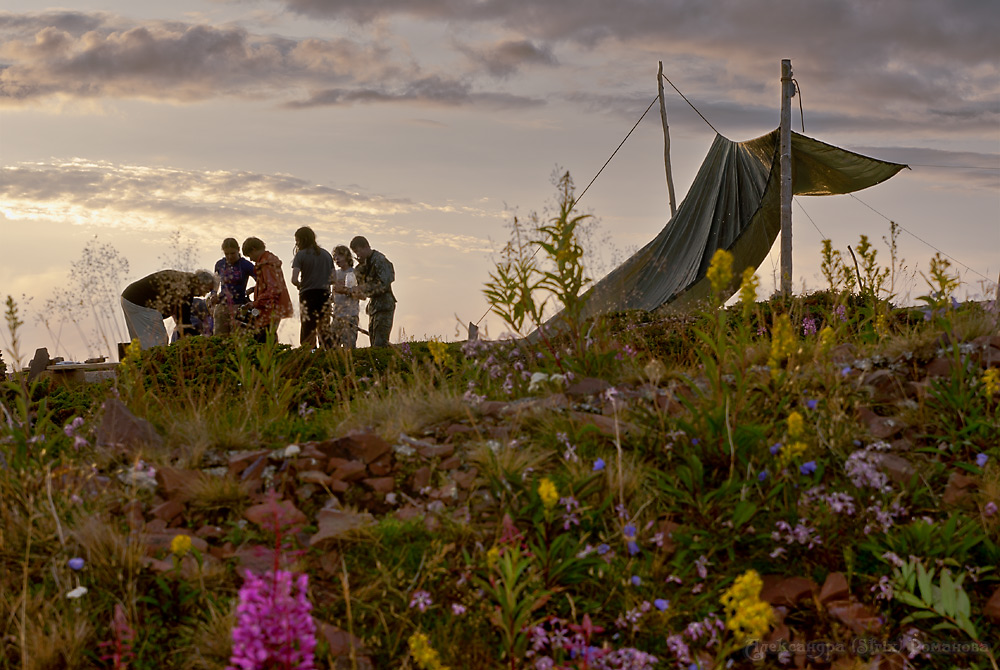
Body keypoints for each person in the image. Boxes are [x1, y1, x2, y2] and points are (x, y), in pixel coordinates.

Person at [121, 270, 216, 349]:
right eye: (206, 290)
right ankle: (154, 368)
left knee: (140, 341)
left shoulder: (185, 281)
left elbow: (182, 317)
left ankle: (139, 367)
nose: (203, 295)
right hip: (140, 302)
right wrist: (189, 339)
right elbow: (183, 319)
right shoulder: (186, 287)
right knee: (158, 341)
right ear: (201, 284)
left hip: (128, 298)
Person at [241, 237, 294, 342]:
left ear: (254, 249)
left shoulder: (266, 265)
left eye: (250, 255)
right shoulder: (268, 262)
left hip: (268, 310)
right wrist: (254, 289)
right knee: (267, 336)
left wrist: (255, 303)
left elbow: (273, 289)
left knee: (264, 339)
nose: (251, 259)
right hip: (272, 308)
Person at [347, 236, 395, 347]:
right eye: (355, 253)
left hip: (384, 306)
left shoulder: (380, 260)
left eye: (358, 251)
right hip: (374, 307)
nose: (358, 255)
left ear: (366, 247)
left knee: (380, 344)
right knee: (374, 343)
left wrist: (364, 288)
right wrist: (361, 267)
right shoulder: (365, 264)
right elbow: (360, 282)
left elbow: (384, 282)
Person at [290, 227, 334, 349]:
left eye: (297, 240)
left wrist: (300, 285)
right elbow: (333, 279)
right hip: (324, 294)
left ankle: (309, 353)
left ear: (302, 240)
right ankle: (328, 352)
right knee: (324, 327)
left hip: (307, 294)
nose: (296, 243)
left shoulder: (301, 255)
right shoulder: (326, 254)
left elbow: (294, 279)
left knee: (308, 327)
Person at [210, 237, 256, 335]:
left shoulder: (246, 265)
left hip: (239, 306)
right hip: (222, 306)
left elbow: (261, 281)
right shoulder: (220, 264)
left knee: (238, 337)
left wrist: (251, 290)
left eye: (232, 253)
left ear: (238, 250)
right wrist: (213, 294)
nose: (230, 256)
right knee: (219, 338)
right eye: (227, 254)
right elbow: (216, 282)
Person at [330, 245, 359, 349]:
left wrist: (344, 290)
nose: (337, 259)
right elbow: (333, 294)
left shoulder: (354, 273)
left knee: (349, 348)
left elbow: (358, 293)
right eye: (335, 256)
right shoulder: (335, 274)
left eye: (340, 255)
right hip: (336, 316)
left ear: (347, 256)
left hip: (350, 316)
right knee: (332, 347)